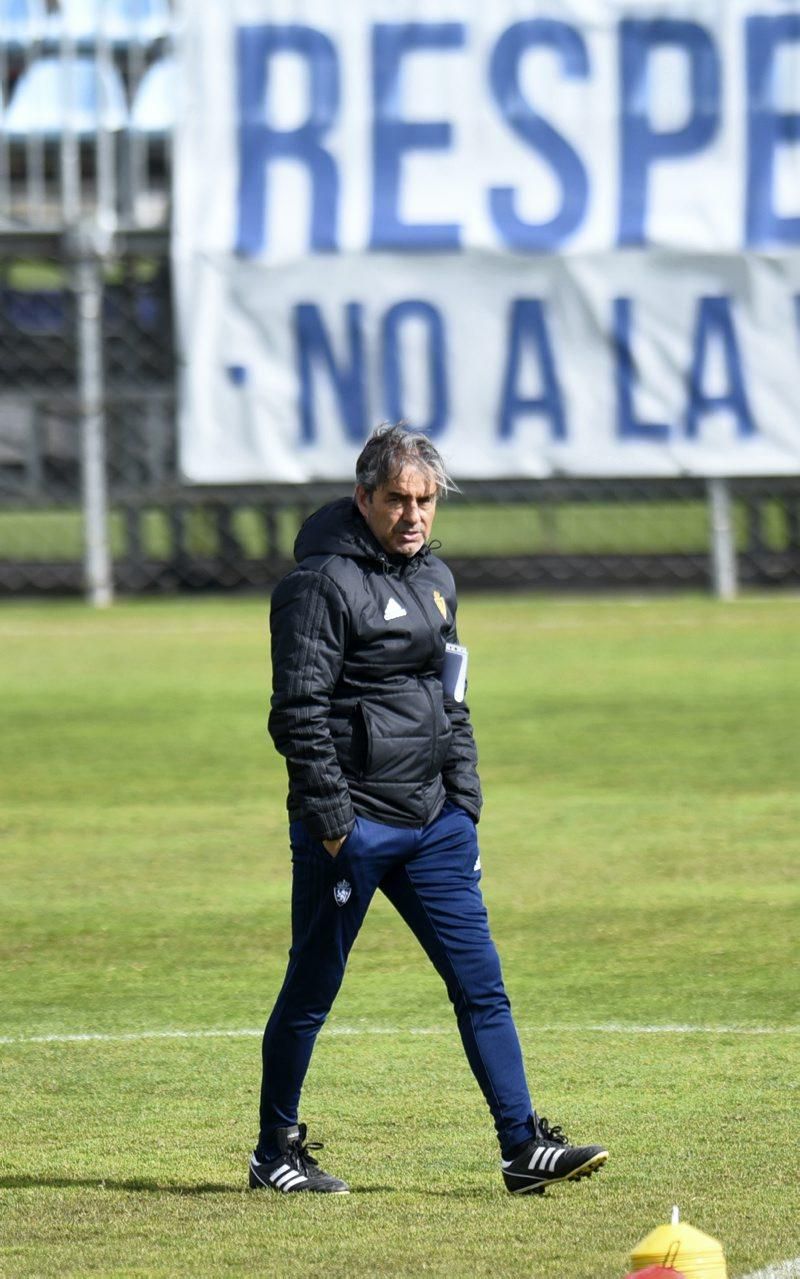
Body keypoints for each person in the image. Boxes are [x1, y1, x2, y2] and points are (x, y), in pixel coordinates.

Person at [249, 424, 608, 1196]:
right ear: (364, 498)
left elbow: (453, 700)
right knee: (312, 988)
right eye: (398, 499)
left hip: (435, 823)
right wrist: (337, 825)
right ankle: (274, 1149)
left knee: (482, 982)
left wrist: (465, 804)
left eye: (426, 498)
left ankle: (522, 1145)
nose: (414, 514)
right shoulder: (318, 585)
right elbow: (297, 715)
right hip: (353, 828)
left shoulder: (436, 578)